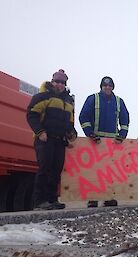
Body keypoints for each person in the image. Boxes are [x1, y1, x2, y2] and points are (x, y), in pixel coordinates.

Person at [27, 69, 77, 210]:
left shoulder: (68, 101)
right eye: (57, 81)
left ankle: (51, 199)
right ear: (52, 81)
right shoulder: (43, 96)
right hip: (44, 139)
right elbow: (31, 115)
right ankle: (39, 201)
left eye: (63, 82)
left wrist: (71, 133)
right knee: (45, 169)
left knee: (56, 170)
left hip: (60, 140)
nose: (60, 84)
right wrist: (40, 131)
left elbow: (70, 122)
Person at [79, 76, 129, 208]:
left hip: (113, 143)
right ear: (101, 87)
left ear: (113, 87)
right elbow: (83, 117)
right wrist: (90, 134)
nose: (107, 88)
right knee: (95, 172)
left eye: (110, 85)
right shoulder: (93, 99)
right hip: (95, 141)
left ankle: (109, 198)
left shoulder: (119, 101)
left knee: (110, 172)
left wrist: (122, 135)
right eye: (105, 85)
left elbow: (125, 120)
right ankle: (93, 198)